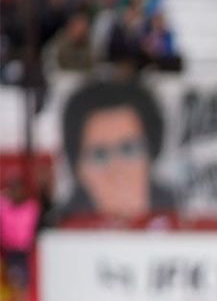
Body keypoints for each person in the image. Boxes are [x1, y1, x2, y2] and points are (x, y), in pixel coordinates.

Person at [59, 80, 176, 222]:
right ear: (78, 169)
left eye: (128, 150)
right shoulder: (63, 231)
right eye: (99, 156)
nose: (117, 170)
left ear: (151, 155)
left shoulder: (180, 219)